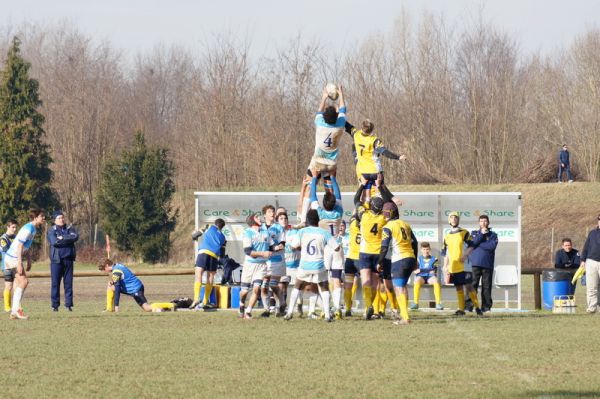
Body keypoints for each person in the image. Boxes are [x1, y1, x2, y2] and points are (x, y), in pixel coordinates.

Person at [297, 85, 346, 222]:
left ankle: (302, 219)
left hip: (318, 161)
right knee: (329, 191)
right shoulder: (340, 125)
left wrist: (324, 97)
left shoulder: (320, 123)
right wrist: (341, 95)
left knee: (307, 185)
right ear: (336, 117)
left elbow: (319, 111)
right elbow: (343, 109)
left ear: (324, 117)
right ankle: (332, 217)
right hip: (331, 165)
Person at [284, 209, 340, 322]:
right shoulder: (324, 232)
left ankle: (289, 313)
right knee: (324, 287)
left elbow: (293, 246)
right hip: (319, 265)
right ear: (318, 220)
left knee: (298, 286)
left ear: (308, 220)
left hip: (305, 265)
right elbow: (337, 248)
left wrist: (302, 247)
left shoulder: (302, 232)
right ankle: (328, 315)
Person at [354, 180, 394, 320]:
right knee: (377, 283)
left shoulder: (363, 216)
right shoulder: (384, 219)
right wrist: (380, 186)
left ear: (370, 206)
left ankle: (367, 307)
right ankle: (376, 310)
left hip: (365, 252)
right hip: (378, 253)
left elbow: (356, 200)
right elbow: (390, 202)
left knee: (365, 280)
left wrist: (362, 185)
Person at [308, 173, 345, 319]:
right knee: (336, 278)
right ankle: (337, 308)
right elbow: (338, 193)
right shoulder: (339, 212)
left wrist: (315, 180)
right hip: (337, 246)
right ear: (335, 202)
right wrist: (334, 178)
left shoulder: (319, 212)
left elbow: (312, 196)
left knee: (323, 279)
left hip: (325, 249)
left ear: (323, 204)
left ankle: (325, 308)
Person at [344, 119, 406, 203]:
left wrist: (339, 116)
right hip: (375, 170)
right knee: (381, 187)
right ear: (372, 130)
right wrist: (398, 157)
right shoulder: (374, 140)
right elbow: (385, 152)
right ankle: (391, 201)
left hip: (363, 170)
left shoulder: (356, 134)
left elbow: (348, 126)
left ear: (362, 127)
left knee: (366, 194)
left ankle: (366, 209)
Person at [378, 202, 418, 325]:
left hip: (399, 259)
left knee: (398, 288)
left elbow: (384, 247)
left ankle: (405, 318)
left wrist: (379, 262)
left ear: (387, 213)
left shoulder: (388, 227)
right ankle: (403, 315)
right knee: (403, 287)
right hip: (410, 257)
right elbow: (415, 243)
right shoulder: (405, 224)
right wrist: (415, 259)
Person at [4, 209, 46, 320]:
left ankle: (14, 312)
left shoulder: (33, 229)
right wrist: (19, 263)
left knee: (21, 283)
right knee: (24, 281)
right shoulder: (28, 228)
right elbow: (19, 246)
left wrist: (28, 260)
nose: (44, 218)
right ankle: (16, 310)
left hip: (13, 258)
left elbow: (26, 247)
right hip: (12, 258)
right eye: (42, 216)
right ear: (35, 218)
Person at [442, 211, 482, 316]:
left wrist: (465, 255)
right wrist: (445, 265)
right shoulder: (447, 236)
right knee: (458, 287)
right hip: (454, 266)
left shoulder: (464, 232)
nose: (454, 219)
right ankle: (461, 309)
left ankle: (478, 308)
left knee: (469, 286)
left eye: (456, 217)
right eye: (452, 217)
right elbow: (446, 253)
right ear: (449, 220)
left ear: (458, 220)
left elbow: (472, 246)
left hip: (465, 265)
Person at [99, 259, 174, 312]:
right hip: (136, 287)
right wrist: (113, 282)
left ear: (107, 265)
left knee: (147, 308)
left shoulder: (116, 272)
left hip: (135, 289)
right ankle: (109, 309)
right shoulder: (118, 265)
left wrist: (116, 307)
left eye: (103, 269)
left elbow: (117, 290)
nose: (104, 271)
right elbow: (123, 278)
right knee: (147, 309)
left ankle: (171, 305)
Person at [239, 213, 273, 319]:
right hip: (249, 265)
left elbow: (271, 246)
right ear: (253, 220)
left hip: (262, 265)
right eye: (257, 217)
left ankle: (248, 312)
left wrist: (280, 246)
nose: (260, 218)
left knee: (257, 289)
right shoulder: (247, 233)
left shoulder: (265, 232)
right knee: (244, 292)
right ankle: (241, 305)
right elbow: (248, 251)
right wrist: (263, 253)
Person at [190, 218, 227, 310]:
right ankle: (205, 301)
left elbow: (195, 235)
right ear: (222, 227)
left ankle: (196, 299)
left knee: (198, 274)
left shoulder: (208, 226)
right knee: (210, 278)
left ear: (215, 223)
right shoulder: (223, 238)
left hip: (204, 252)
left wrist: (193, 234)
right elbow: (222, 254)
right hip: (214, 256)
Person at [47, 211, 79, 312]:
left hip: (68, 260)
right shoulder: (51, 230)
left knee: (68, 283)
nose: (62, 219)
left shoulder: (69, 228)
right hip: (56, 261)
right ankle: (55, 306)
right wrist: (67, 240)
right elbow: (54, 242)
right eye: (59, 218)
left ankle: (68, 305)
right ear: (55, 220)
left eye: (62, 217)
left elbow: (75, 237)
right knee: (55, 283)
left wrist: (63, 238)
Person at [467, 215, 499, 313]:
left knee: (486, 286)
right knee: (473, 285)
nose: (483, 223)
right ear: (479, 223)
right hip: (475, 264)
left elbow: (491, 246)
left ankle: (486, 307)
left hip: (487, 264)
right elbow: (472, 243)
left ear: (488, 222)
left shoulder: (493, 235)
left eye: (485, 221)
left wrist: (479, 244)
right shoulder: (474, 233)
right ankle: (469, 306)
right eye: (481, 221)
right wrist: (481, 235)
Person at [260, 205, 286, 317]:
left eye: (273, 212)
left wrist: (275, 247)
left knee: (273, 285)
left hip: (276, 260)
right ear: (265, 214)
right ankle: (266, 309)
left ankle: (281, 304)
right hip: (263, 261)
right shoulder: (260, 228)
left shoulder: (278, 227)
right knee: (264, 286)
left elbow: (282, 243)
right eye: (270, 211)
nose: (272, 213)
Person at [410, 242, 443, 311]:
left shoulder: (435, 259)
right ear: (421, 250)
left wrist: (421, 270)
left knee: (435, 280)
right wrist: (427, 270)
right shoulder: (418, 259)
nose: (426, 251)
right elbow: (416, 271)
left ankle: (438, 303)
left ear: (429, 249)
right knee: (417, 280)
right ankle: (415, 303)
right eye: (424, 249)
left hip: (430, 277)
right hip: (421, 277)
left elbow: (434, 271)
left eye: (427, 249)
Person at [581, 214, 600, 313]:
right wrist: (583, 260)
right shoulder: (592, 233)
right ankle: (591, 308)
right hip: (591, 262)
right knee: (591, 287)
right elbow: (586, 247)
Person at [1, 219, 18, 313]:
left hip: (16, 264)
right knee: (9, 285)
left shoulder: (16, 237)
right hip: (7, 265)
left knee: (17, 286)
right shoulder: (3, 238)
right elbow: (6, 250)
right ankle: (7, 307)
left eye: (15, 227)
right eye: (13, 227)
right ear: (8, 227)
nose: (15, 229)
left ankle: (16, 306)